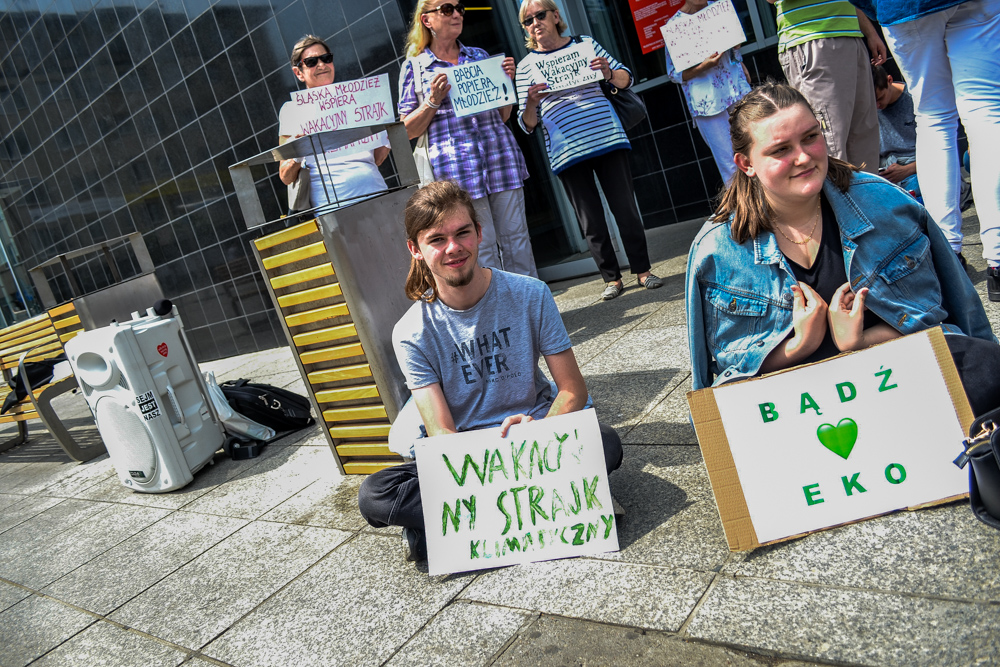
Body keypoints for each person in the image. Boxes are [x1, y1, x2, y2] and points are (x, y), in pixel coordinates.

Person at [685, 83, 1000, 415]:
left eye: (810, 137)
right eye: (781, 150)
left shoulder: (885, 204)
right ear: (746, 163)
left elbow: (953, 322)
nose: (804, 157)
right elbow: (721, 390)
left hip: (910, 396)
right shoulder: (716, 251)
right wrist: (797, 346)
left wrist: (862, 342)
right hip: (798, 418)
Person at [357, 181, 623, 562]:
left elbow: (572, 390)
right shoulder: (410, 332)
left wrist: (541, 431)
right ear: (415, 249)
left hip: (535, 438)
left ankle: (448, 525)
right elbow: (442, 432)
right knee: (375, 495)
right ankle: (556, 500)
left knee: (606, 442)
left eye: (463, 232)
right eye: (437, 239)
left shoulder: (531, 294)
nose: (454, 248)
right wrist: (486, 462)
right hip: (469, 462)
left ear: (479, 233)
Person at [850, 0, 1000, 301]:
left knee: (933, 117)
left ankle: (949, 255)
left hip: (904, 5)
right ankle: (997, 256)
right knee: (985, 111)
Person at [515, 0, 662, 301]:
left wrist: (607, 72)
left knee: (625, 209)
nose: (535, 23)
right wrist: (531, 101)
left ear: (556, 16)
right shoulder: (525, 67)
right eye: (527, 21)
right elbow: (527, 125)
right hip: (567, 150)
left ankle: (643, 270)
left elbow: (626, 79)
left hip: (607, 137)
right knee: (590, 220)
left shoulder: (585, 44)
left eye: (540, 15)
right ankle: (611, 279)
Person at [398, 0, 538, 279]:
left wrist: (506, 85)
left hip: (499, 158)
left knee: (517, 239)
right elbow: (406, 132)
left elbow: (502, 116)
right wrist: (432, 102)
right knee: (479, 247)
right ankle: (494, 311)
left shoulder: (478, 56)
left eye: (460, 8)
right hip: (456, 173)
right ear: (427, 20)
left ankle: (531, 306)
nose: (457, 14)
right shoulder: (415, 68)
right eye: (447, 9)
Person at [768, 0, 886, 173]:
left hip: (852, 34)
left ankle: (867, 199)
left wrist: (870, 32)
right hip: (813, 40)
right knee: (830, 146)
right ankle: (835, 201)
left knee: (865, 141)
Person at [277, 35, 389, 212]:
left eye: (326, 58)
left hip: (376, 194)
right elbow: (285, 176)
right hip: (332, 208)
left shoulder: (360, 100)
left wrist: (385, 130)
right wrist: (299, 151)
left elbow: (378, 158)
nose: (321, 65)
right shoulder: (292, 110)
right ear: (298, 72)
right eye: (311, 62)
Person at [664, 0, 751, 185]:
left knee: (755, 145)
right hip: (708, 101)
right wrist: (704, 66)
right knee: (729, 162)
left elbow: (736, 45)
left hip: (735, 86)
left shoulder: (719, 9)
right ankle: (744, 211)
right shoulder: (675, 27)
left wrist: (738, 54)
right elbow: (675, 74)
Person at [871, 65, 973, 222]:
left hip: (921, 165)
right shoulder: (867, 108)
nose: (877, 106)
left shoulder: (915, 99)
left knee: (922, 187)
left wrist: (907, 170)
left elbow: (941, 150)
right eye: (873, 102)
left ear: (889, 80)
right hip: (889, 170)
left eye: (879, 99)